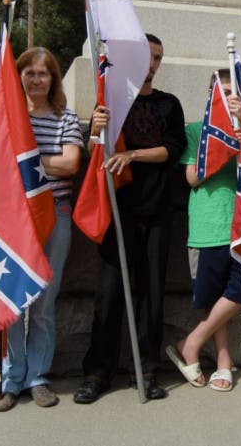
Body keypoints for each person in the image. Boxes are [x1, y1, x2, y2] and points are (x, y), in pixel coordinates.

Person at [74, 33, 186, 403]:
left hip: (156, 211)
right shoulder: (113, 103)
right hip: (117, 211)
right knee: (108, 295)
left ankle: (147, 370)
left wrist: (134, 157)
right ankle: (97, 371)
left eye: (157, 57)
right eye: (146, 56)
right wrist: (94, 130)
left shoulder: (169, 105)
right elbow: (95, 154)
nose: (151, 63)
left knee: (151, 295)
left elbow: (172, 150)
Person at [0, 47, 84, 411]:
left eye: (44, 73)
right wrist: (36, 160)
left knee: (42, 305)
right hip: (13, 221)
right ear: (19, 76)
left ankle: (38, 377)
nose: (37, 79)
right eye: (30, 73)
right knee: (13, 302)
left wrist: (23, 160)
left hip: (54, 214)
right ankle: (12, 379)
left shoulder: (65, 118)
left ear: (53, 78)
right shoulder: (5, 114)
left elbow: (71, 163)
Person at [166, 69, 241, 392]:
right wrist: (221, 144)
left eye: (233, 92)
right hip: (207, 224)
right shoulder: (196, 131)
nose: (228, 97)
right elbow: (191, 178)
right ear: (210, 95)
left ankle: (190, 342)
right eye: (222, 91)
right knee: (212, 298)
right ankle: (224, 362)